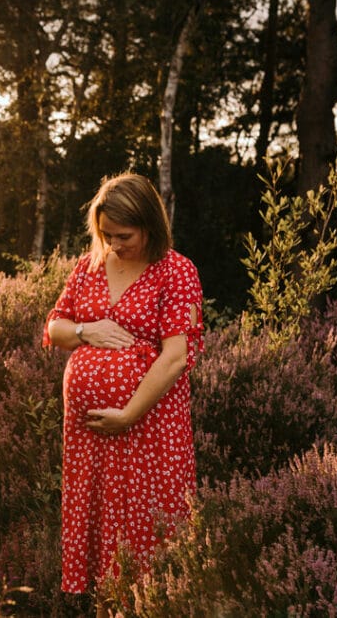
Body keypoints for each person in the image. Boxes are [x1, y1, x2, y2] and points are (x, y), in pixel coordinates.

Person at [42, 173, 203, 611]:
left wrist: (128, 413)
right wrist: (84, 329)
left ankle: (152, 604)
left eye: (123, 235)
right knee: (96, 515)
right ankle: (101, 603)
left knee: (147, 522)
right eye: (106, 234)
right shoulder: (89, 266)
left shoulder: (176, 271)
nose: (114, 245)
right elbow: (53, 329)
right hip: (88, 432)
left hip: (148, 427)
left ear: (150, 224)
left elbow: (175, 356)